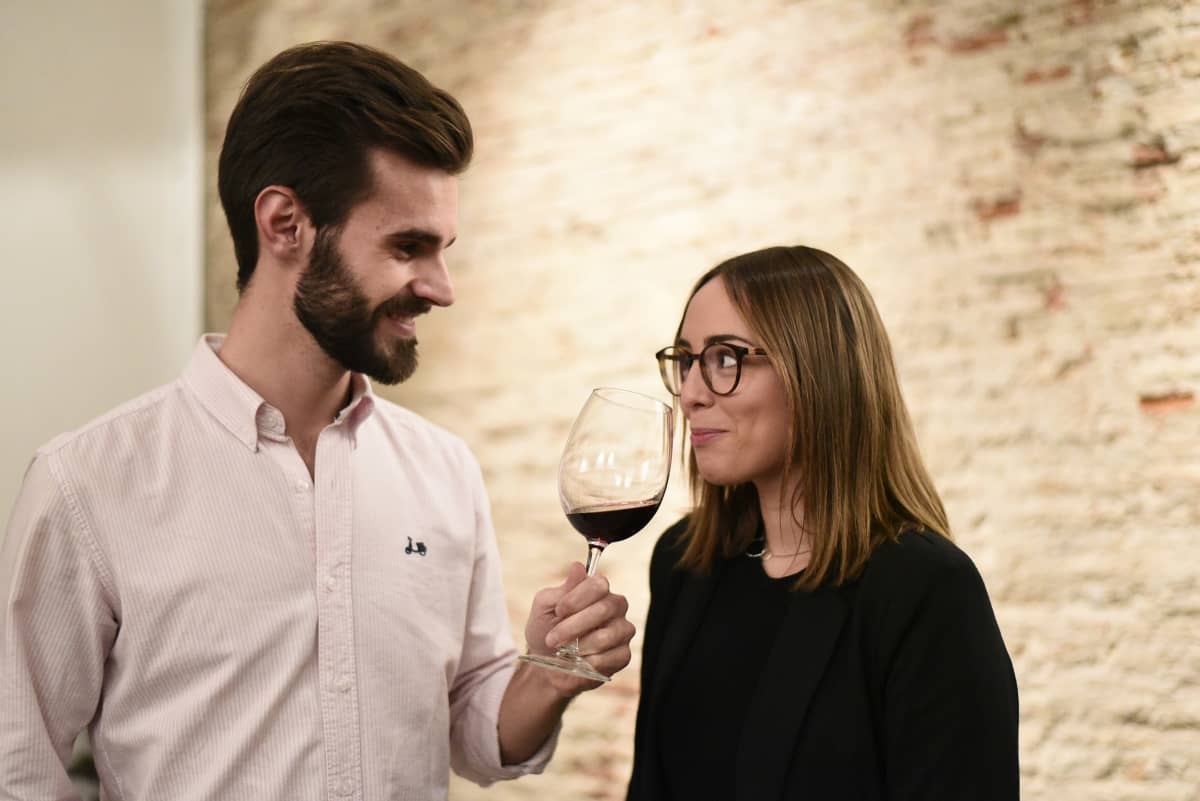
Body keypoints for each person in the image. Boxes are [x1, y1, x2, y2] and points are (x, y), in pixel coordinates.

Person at [0, 41, 634, 801]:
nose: (441, 287)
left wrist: (550, 671)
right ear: (285, 224)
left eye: (443, 249)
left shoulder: (444, 470)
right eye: (409, 246)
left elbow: (471, 729)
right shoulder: (87, 484)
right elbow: (21, 767)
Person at [627, 246, 1019, 800]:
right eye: (687, 361)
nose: (690, 393)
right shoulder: (684, 561)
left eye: (725, 359)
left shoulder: (924, 590)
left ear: (818, 373)